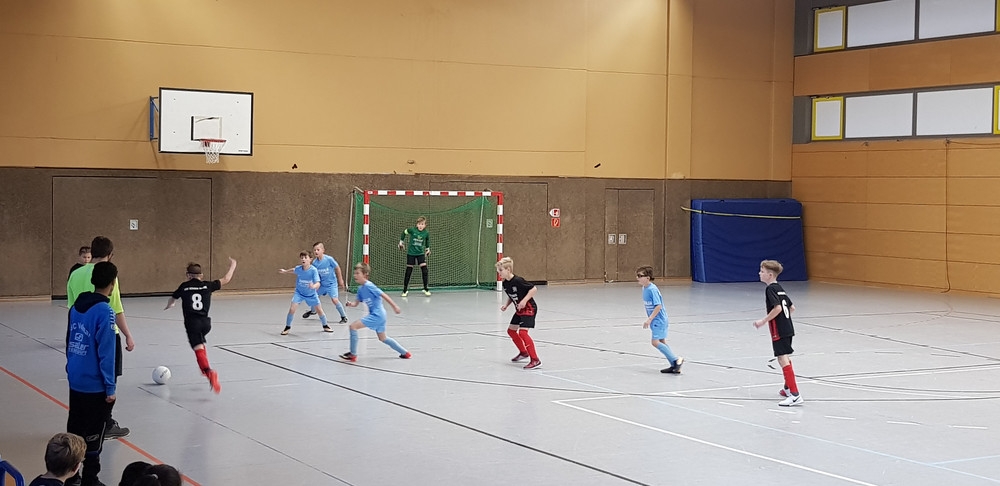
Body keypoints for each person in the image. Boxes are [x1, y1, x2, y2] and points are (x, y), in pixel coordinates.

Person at [66, 236, 131, 440]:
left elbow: (71, 307)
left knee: (80, 388)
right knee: (107, 377)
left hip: (79, 332)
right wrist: (128, 335)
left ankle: (79, 430)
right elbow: (116, 309)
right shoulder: (109, 276)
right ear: (110, 255)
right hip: (105, 332)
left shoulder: (75, 274)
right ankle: (105, 423)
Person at [66, 261, 118, 486]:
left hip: (75, 378)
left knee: (75, 428)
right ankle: (90, 479)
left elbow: (69, 339)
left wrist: (70, 366)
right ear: (113, 283)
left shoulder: (76, 307)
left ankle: (71, 477)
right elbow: (107, 352)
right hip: (94, 385)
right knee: (94, 434)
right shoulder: (105, 311)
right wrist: (110, 387)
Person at [163, 257, 237, 394]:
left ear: (188, 275)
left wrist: (170, 304)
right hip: (206, 323)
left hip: (192, 323)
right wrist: (233, 265)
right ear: (201, 275)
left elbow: (173, 298)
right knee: (200, 345)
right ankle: (204, 367)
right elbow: (226, 279)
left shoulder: (184, 286)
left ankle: (209, 372)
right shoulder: (208, 285)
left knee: (198, 348)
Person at [753, 260, 803, 407]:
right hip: (788, 327)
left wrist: (763, 321)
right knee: (785, 356)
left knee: (782, 358)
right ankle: (787, 388)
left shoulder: (770, 289)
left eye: (762, 271)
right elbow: (792, 307)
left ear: (769, 275)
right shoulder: (780, 288)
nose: (759, 273)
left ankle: (795, 394)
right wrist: (784, 321)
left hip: (779, 330)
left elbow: (778, 308)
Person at [339, 263, 410, 362]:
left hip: (377, 315)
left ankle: (353, 354)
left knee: (353, 327)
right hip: (379, 316)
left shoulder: (369, 286)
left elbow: (383, 295)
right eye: (354, 273)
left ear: (365, 275)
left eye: (358, 273)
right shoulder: (360, 289)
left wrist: (394, 306)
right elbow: (356, 303)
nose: (355, 275)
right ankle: (405, 353)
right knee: (383, 338)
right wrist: (351, 304)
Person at [636, 266, 684, 374]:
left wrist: (649, 319)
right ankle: (674, 365)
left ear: (648, 278)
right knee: (662, 341)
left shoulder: (652, 289)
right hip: (656, 320)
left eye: (640, 276)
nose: (637, 278)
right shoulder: (644, 288)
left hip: (659, 320)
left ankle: (676, 360)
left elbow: (658, 306)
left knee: (655, 342)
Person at [497, 257, 541, 370]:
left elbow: (533, 289)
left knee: (523, 333)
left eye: (501, 270)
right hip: (519, 310)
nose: (499, 273)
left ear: (508, 269)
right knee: (511, 331)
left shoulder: (518, 280)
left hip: (529, 308)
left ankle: (535, 359)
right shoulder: (505, 284)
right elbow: (512, 296)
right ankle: (523, 352)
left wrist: (524, 300)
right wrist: (506, 305)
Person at [278, 251, 329, 335]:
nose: (303, 259)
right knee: (292, 309)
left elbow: (318, 283)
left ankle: (325, 325)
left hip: (311, 294)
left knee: (319, 310)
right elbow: (293, 270)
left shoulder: (313, 270)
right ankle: (287, 327)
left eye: (305, 258)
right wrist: (285, 271)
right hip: (299, 293)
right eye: (302, 258)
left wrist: (313, 286)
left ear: (310, 259)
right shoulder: (299, 268)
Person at [303, 242, 347, 323]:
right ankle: (313, 311)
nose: (316, 251)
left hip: (331, 284)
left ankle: (343, 316)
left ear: (323, 250)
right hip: (322, 285)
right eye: (314, 250)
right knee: (313, 296)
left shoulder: (329, 259)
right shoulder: (315, 263)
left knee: (334, 300)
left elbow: (337, 268)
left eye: (318, 250)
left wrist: (340, 280)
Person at [398, 216, 431, 296]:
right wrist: (401, 242)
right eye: (419, 224)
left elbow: (427, 240)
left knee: (425, 270)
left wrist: (427, 249)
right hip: (411, 253)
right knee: (408, 271)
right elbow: (404, 232)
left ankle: (425, 289)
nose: (420, 226)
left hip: (420, 254)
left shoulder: (426, 233)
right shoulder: (412, 230)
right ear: (417, 225)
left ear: (425, 225)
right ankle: (405, 290)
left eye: (422, 224)